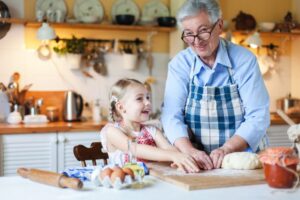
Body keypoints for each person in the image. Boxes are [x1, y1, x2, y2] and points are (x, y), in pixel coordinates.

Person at [161, 0, 270, 171]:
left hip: (242, 158)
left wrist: (227, 149)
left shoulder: (244, 60)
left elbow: (258, 115)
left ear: (219, 26)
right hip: (197, 161)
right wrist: (189, 151)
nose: (196, 41)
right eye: (188, 33)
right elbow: (171, 116)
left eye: (203, 31)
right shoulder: (180, 64)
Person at [100, 78, 199, 173]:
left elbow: (169, 149)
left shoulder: (153, 131)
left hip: (152, 183)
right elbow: (134, 149)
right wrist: (173, 156)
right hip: (125, 186)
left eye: (147, 97)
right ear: (121, 107)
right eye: (139, 99)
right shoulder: (112, 131)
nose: (148, 102)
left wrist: (179, 158)